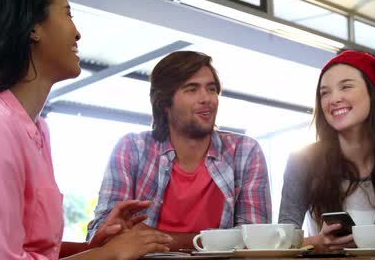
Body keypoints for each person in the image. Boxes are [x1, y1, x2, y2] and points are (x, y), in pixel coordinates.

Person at [0, 0, 173, 259]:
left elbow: (30, 247)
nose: (78, 32)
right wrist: (108, 255)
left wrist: (93, 248)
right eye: (68, 14)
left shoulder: (37, 128)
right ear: (33, 27)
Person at [86, 51, 272, 250]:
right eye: (191, 90)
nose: (206, 98)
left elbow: (257, 241)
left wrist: (152, 238)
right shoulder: (132, 149)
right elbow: (100, 235)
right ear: (164, 102)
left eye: (211, 89)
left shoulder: (244, 152)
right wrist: (217, 241)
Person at [278, 50, 375, 255]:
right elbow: (282, 245)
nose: (334, 99)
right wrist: (317, 243)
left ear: (372, 93)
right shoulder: (302, 161)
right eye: (325, 92)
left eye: (346, 87)